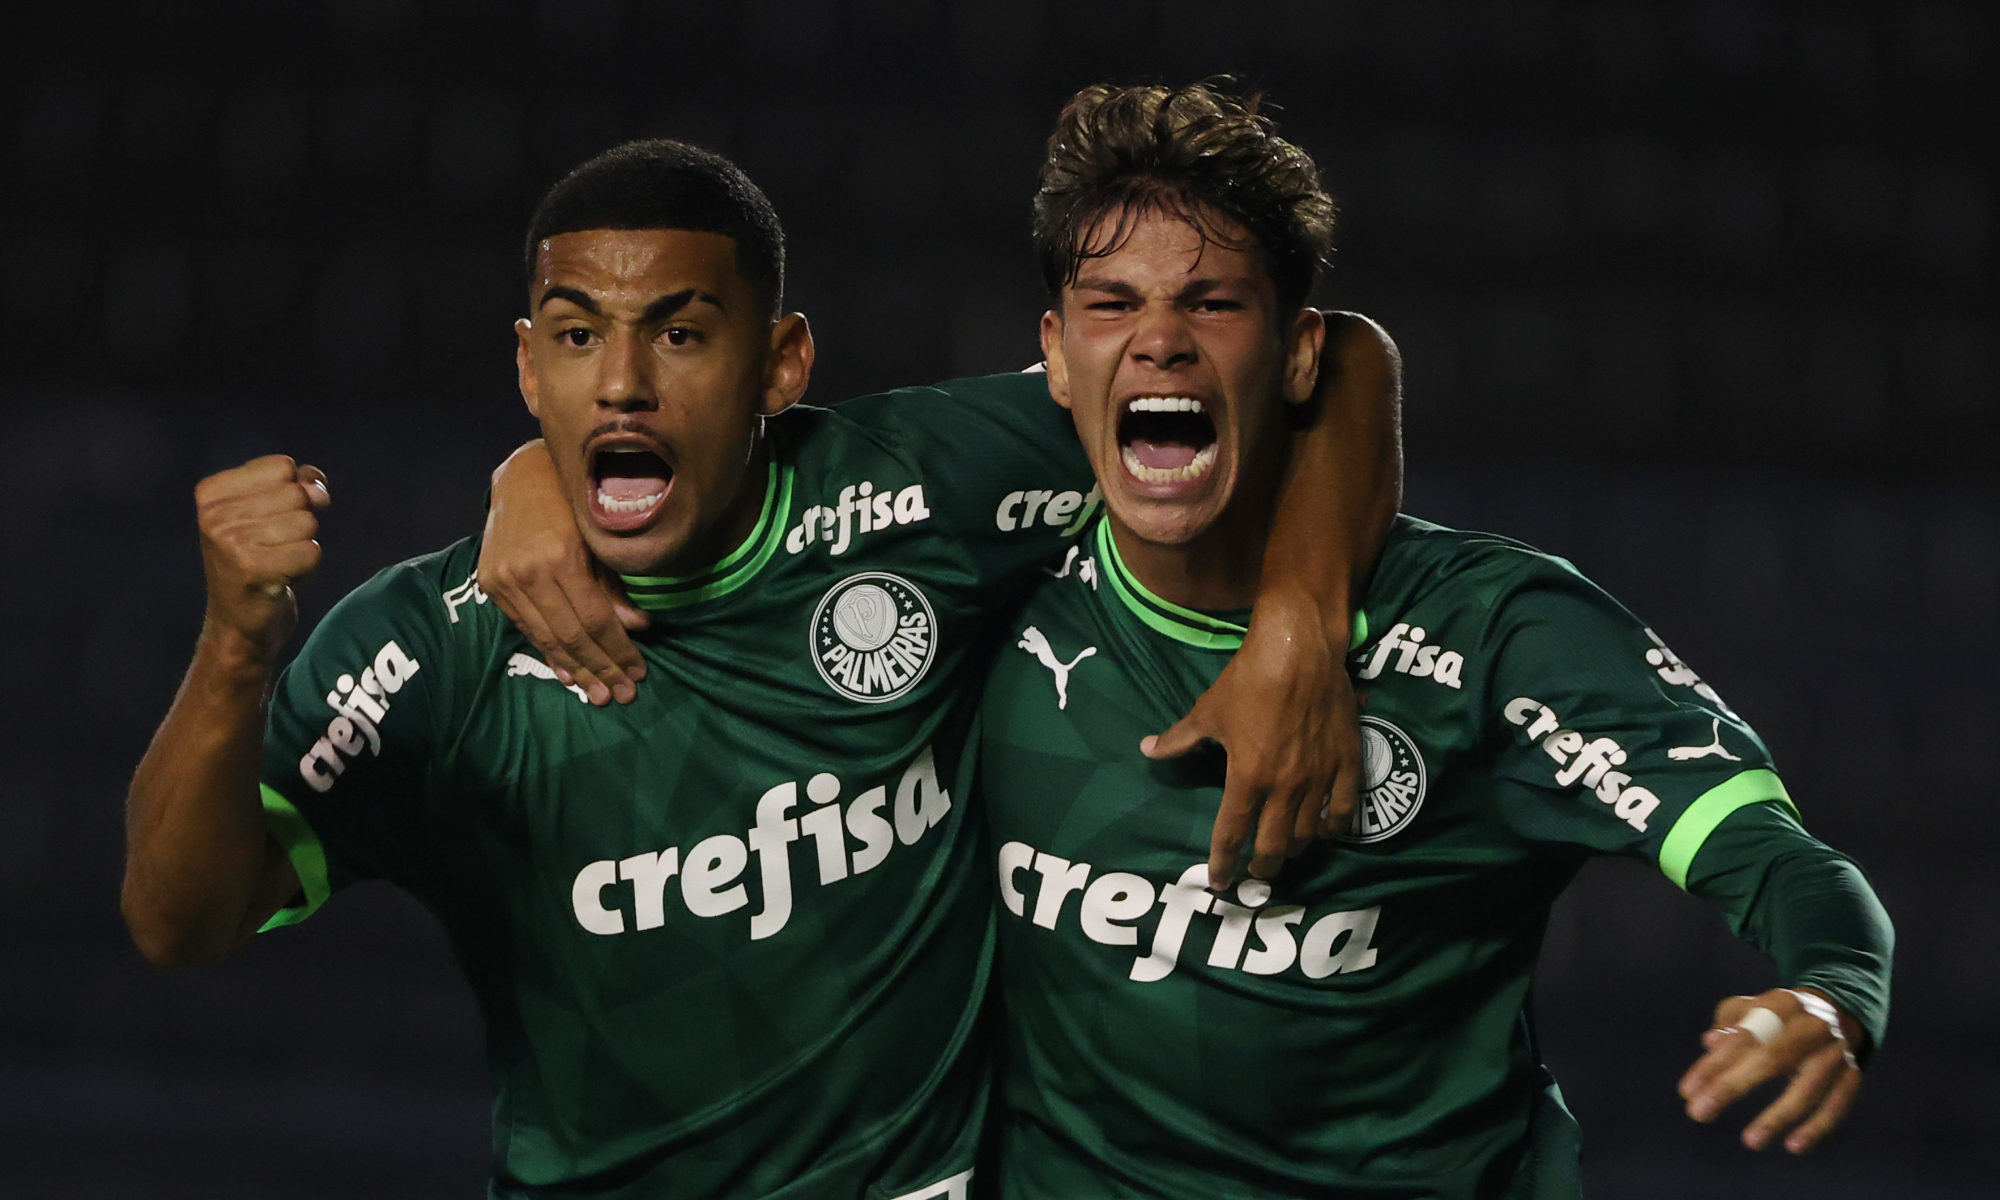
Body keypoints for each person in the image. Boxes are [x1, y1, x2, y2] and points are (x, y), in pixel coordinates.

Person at [122, 138, 1399, 1198]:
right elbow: (176, 923)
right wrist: (239, 649)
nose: (622, 383)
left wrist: (1298, 624)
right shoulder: (430, 645)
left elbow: (1333, 362)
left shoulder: (922, 489)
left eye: (678, 336)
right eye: (577, 339)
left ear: (780, 363)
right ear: (527, 366)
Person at [972, 82, 1894, 1198]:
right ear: (1054, 356)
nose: (1159, 341)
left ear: (1299, 352)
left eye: (1210, 304)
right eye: (1111, 306)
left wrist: (1827, 993)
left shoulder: (1491, 631)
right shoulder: (985, 577)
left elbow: (1790, 869)